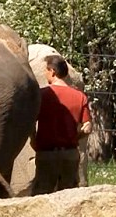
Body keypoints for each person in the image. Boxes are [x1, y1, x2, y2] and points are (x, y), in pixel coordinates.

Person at [32, 54, 91, 195]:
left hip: (46, 154)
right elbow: (88, 126)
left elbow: (30, 122)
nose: (45, 74)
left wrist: (33, 140)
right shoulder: (80, 96)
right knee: (68, 197)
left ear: (52, 71)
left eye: (45, 70)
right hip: (70, 154)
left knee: (42, 196)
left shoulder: (42, 95)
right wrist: (76, 138)